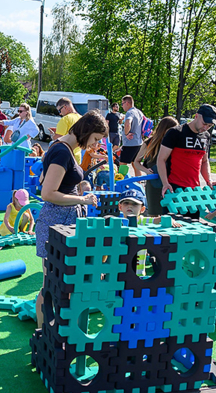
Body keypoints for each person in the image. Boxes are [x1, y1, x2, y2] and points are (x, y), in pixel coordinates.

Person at [35, 111, 108, 328]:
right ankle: (43, 333)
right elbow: (47, 193)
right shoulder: (62, 151)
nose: (94, 145)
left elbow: (42, 178)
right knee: (50, 284)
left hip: (63, 219)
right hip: (56, 222)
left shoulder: (62, 148)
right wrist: (81, 199)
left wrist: (78, 199)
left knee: (61, 281)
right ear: (86, 131)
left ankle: (53, 330)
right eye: (95, 139)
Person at [157, 105, 216, 220]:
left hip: (194, 191)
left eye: (209, 126)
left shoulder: (206, 136)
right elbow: (161, 159)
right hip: (174, 188)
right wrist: (165, 183)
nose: (206, 128)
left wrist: (209, 180)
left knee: (192, 229)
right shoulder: (175, 132)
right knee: (170, 228)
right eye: (204, 123)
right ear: (196, 116)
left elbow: (204, 161)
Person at [134, 117, 179, 217]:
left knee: (170, 214)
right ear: (164, 129)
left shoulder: (174, 143)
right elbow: (136, 162)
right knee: (154, 214)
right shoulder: (149, 143)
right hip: (154, 183)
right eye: (172, 130)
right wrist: (146, 170)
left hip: (170, 182)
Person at [120, 95, 146, 168]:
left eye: (122, 104)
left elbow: (127, 123)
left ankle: (119, 179)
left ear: (127, 103)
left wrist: (126, 133)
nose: (122, 106)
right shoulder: (139, 112)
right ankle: (138, 180)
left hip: (129, 143)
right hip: (139, 143)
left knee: (122, 165)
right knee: (136, 165)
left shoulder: (129, 112)